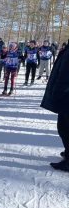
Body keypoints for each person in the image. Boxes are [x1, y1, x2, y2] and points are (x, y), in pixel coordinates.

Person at [40, 43, 69, 172]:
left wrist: (57, 91)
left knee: (64, 127)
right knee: (63, 126)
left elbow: (65, 74)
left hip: (65, 93)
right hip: (65, 93)